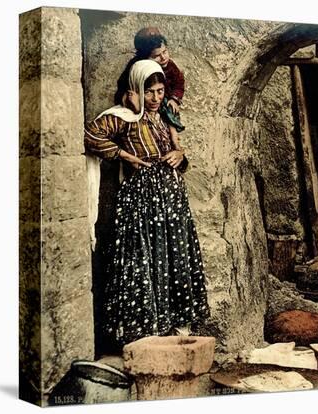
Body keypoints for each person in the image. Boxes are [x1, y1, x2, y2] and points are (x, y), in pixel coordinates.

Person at [84, 60, 210, 349]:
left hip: (172, 200)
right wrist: (125, 156)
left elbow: (179, 157)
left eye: (160, 91)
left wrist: (180, 155)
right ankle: (144, 336)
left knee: (173, 259)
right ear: (134, 92)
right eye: (148, 91)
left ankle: (175, 332)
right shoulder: (124, 118)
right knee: (145, 259)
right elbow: (90, 136)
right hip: (141, 202)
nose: (155, 98)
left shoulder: (165, 116)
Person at [114, 27, 185, 133]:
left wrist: (174, 99)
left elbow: (179, 82)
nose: (163, 58)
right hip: (142, 101)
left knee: (170, 115)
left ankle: (173, 139)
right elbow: (123, 83)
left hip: (162, 102)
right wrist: (126, 96)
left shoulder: (170, 66)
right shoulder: (136, 66)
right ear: (145, 57)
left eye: (164, 52)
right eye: (156, 56)